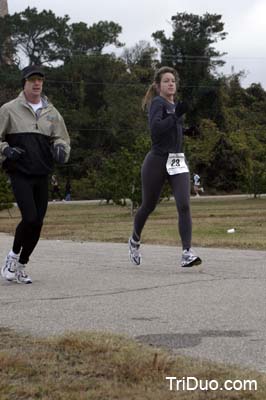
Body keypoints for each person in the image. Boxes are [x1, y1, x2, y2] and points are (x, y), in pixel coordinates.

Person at [0, 65, 71, 284]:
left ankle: (22, 265)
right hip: (20, 171)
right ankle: (11, 258)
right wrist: (5, 150)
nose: (37, 84)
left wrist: (61, 149)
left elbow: (62, 137)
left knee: (38, 222)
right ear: (24, 83)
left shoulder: (51, 112)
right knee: (29, 217)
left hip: (42, 172)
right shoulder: (9, 109)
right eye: (32, 80)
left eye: (40, 80)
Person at [128, 66, 202, 268]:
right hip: (157, 161)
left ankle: (187, 252)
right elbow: (156, 131)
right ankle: (134, 240)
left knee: (184, 204)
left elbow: (172, 130)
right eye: (166, 81)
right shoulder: (158, 103)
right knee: (148, 205)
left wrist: (187, 131)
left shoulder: (174, 105)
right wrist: (176, 116)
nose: (171, 83)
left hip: (177, 160)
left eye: (173, 81)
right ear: (158, 85)